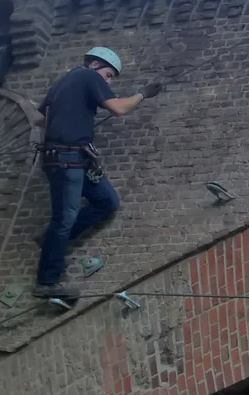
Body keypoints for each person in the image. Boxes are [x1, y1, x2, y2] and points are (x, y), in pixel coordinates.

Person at [33, 47, 159, 300]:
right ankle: (47, 282)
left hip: (76, 159)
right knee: (64, 218)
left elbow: (40, 118)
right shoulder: (87, 76)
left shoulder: (63, 83)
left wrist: (71, 119)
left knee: (107, 201)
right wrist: (143, 94)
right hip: (67, 159)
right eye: (108, 74)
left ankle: (51, 242)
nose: (108, 80)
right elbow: (118, 109)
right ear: (94, 65)